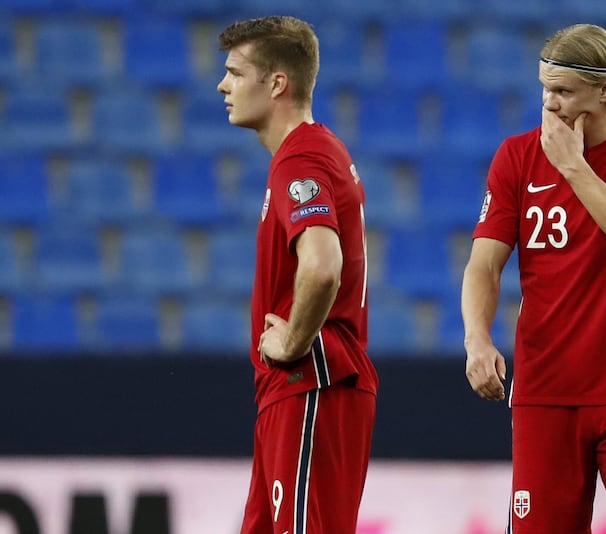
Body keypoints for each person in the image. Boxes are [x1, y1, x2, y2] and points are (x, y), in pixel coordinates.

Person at [461, 23, 606, 534]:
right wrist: (477, 338)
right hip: (547, 388)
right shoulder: (516, 157)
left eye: (563, 91)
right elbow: (484, 263)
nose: (550, 103)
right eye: (545, 88)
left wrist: (574, 168)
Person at [217, 16, 378, 534]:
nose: (223, 85)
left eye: (236, 73)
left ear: (277, 83)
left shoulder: (301, 159)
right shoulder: (313, 150)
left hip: (309, 383)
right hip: (292, 392)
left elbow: (323, 265)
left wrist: (292, 341)